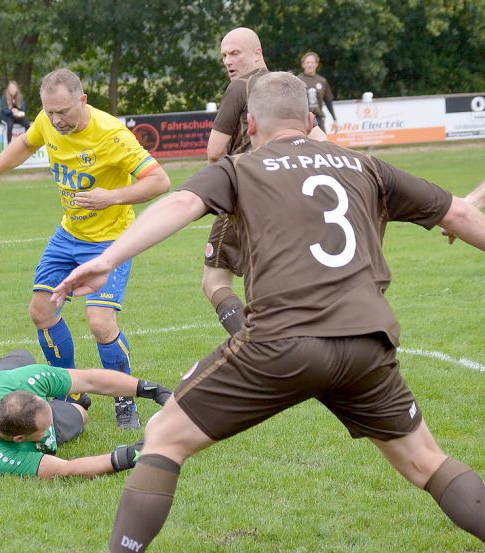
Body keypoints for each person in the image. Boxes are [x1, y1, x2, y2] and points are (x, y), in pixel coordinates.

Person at [50, 72, 485, 551]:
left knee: (164, 435)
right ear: (311, 119)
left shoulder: (242, 167)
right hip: (367, 344)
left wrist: (107, 259)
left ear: (251, 123)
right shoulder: (367, 166)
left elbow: (180, 200)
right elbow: (461, 215)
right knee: (427, 462)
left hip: (282, 341)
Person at [0, 68, 171, 430]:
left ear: (82, 100)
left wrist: (110, 196)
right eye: (49, 112)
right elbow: (25, 143)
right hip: (68, 236)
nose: (56, 120)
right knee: (41, 312)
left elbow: (160, 180)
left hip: (111, 239)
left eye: (63, 111)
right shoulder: (47, 121)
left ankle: (124, 398)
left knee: (100, 321)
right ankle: (71, 393)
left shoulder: (112, 134)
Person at [203, 28, 326, 336]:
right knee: (281, 282)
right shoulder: (287, 86)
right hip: (291, 197)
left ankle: (254, 349)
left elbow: (214, 152)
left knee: (215, 282)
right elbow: (324, 143)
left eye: (235, 53)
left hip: (245, 195)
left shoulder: (239, 88)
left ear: (257, 53)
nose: (228, 61)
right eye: (224, 56)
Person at [0, 349, 173, 478]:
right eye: (43, 427)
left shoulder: (18, 382)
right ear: (20, 440)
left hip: (2, 384)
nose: (47, 428)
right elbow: (67, 469)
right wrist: (135, 454)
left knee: (21, 357)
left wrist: (154, 391)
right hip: (25, 421)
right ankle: (75, 404)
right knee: (80, 414)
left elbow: (91, 379)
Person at [297, 51, 337, 133]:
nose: (310, 65)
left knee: (322, 143)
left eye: (312, 62)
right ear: (303, 65)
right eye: (307, 62)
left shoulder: (322, 81)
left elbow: (328, 102)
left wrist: (334, 119)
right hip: (303, 120)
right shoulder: (297, 80)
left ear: (316, 64)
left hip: (319, 119)